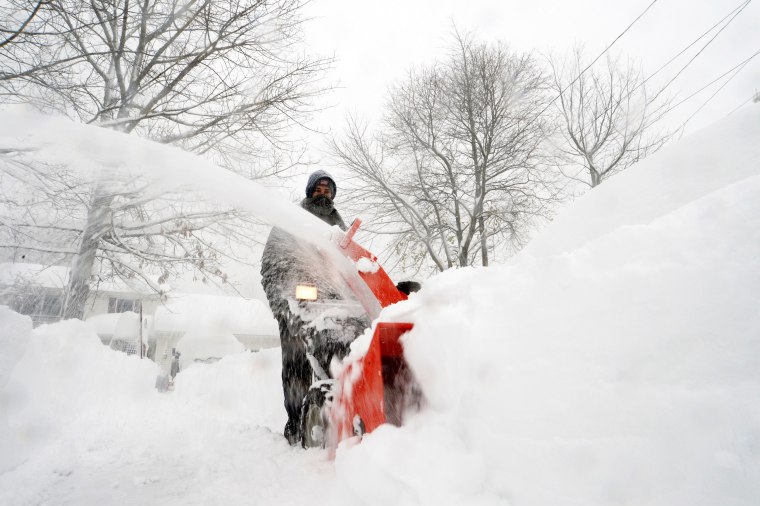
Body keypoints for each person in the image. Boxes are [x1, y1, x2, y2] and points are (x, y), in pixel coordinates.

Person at [260, 170, 367, 446]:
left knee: (344, 356)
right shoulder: (291, 221)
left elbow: (350, 267)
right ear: (309, 192)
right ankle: (296, 423)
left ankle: (343, 409)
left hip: (333, 308)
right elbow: (270, 266)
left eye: (327, 189)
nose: (323, 193)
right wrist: (282, 306)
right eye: (318, 189)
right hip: (296, 307)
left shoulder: (337, 226)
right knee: (296, 365)